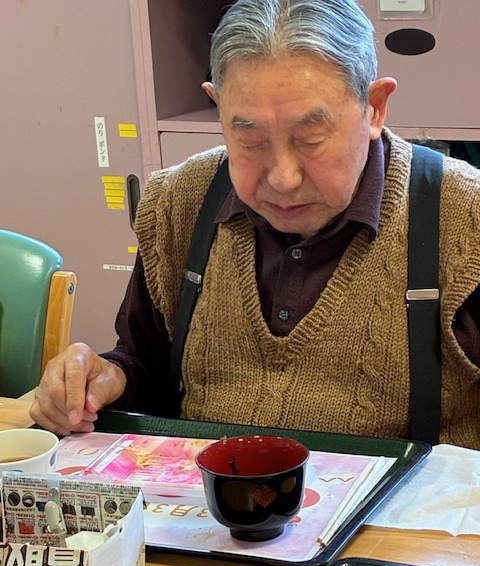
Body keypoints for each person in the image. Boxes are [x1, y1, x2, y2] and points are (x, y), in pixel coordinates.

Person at [30, 0, 480, 448]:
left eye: (310, 139)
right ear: (218, 107)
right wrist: (105, 378)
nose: (283, 178)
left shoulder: (465, 218)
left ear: (375, 108)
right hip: (208, 490)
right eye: (249, 140)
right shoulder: (180, 202)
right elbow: (146, 361)